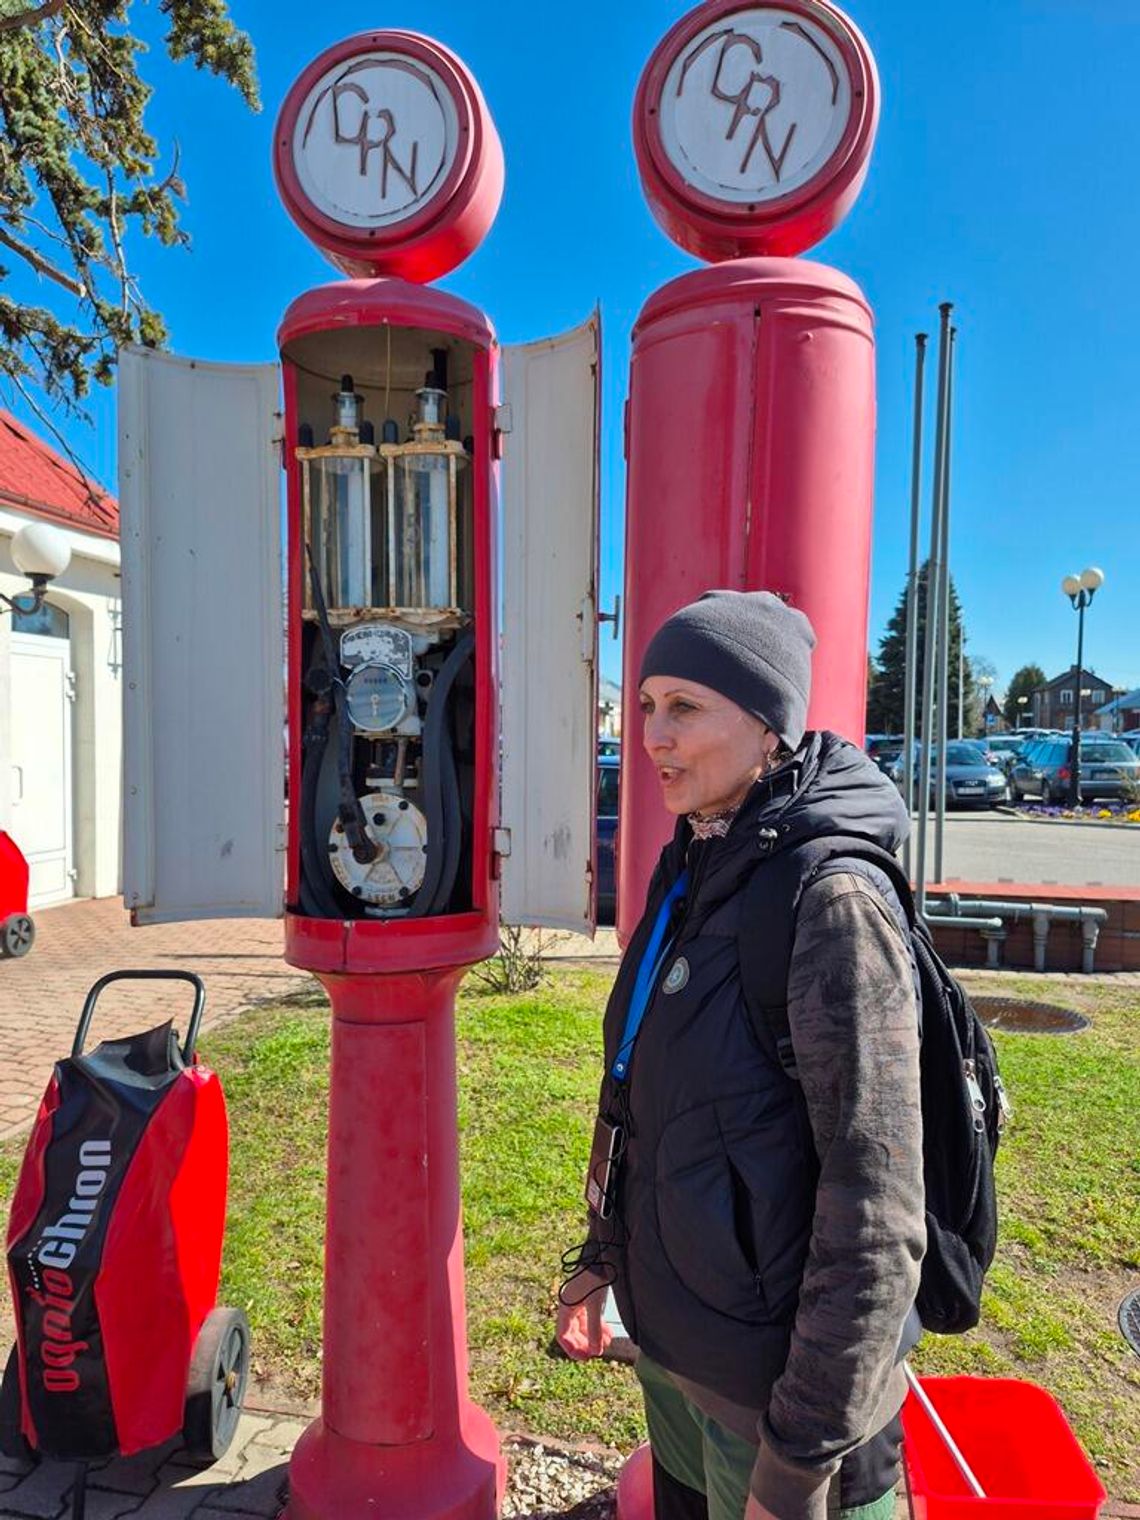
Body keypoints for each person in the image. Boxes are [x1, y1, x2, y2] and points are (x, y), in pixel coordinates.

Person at [556, 590, 925, 1520]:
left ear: (769, 727)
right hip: (681, 1368)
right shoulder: (695, 860)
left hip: (784, 1421)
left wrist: (797, 1466)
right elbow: (640, 1087)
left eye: (684, 706)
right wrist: (605, 1258)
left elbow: (875, 1214)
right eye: (644, 706)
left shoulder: (831, 901)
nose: (651, 736)